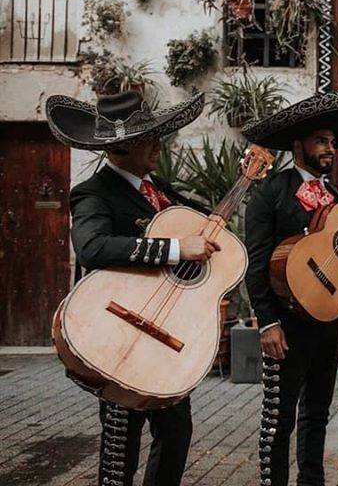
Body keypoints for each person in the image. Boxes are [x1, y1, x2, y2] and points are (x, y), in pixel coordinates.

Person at [47, 90, 214, 486]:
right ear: (122, 147)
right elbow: (91, 247)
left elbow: (200, 226)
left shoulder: (160, 190)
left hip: (164, 335)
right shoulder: (94, 192)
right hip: (121, 335)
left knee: (176, 433)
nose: (158, 144)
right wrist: (174, 248)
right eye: (147, 138)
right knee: (122, 445)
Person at [241, 91, 338, 486]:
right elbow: (257, 263)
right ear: (298, 144)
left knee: (318, 411)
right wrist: (267, 323)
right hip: (286, 324)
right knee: (279, 417)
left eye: (333, 143)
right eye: (321, 141)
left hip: (329, 320)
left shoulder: (337, 197)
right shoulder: (270, 193)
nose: (330, 149)